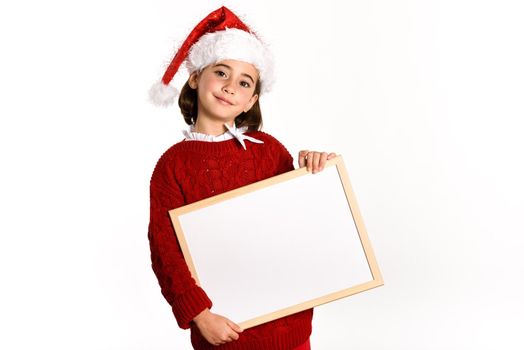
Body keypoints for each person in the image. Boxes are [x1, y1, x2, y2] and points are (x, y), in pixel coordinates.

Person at [148, 7, 336, 350]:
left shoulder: (269, 150)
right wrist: (200, 315)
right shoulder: (172, 165)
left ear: (251, 100)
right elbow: (166, 251)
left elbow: (296, 220)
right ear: (195, 77)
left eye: (244, 82)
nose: (230, 87)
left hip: (289, 331)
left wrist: (316, 172)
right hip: (224, 334)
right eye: (221, 72)